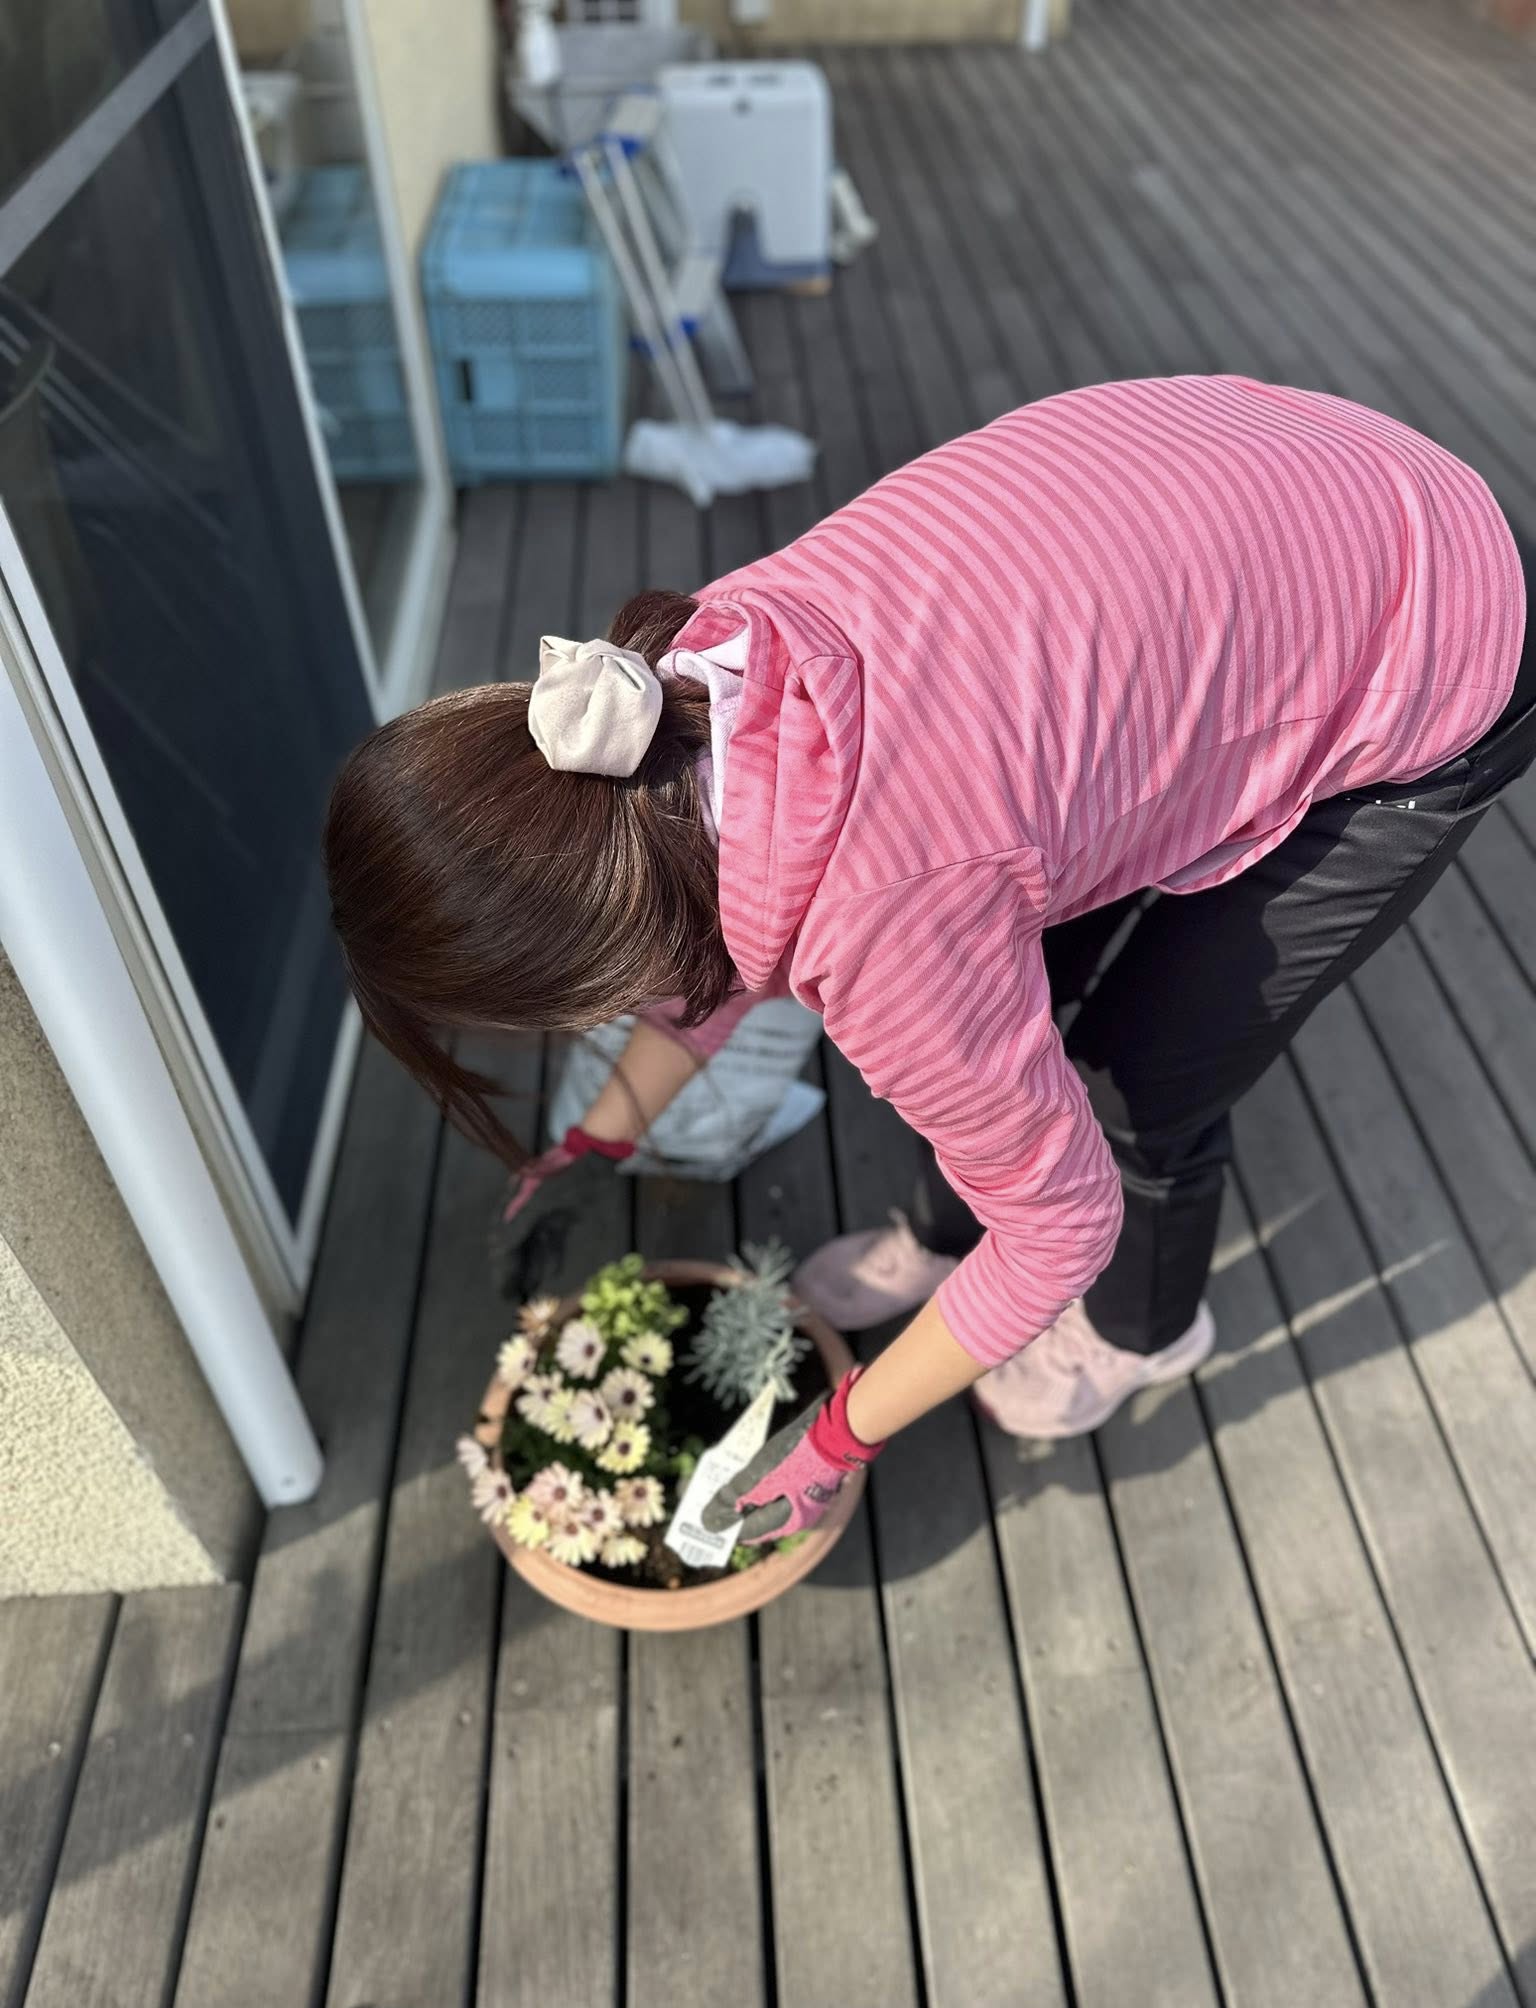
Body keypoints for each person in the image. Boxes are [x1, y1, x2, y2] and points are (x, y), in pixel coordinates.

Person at [324, 375, 1533, 1545]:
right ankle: (951, 1235)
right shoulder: (689, 678)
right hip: (1261, 490)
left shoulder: (884, 923)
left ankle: (1143, 1330)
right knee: (1008, 1017)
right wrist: (595, 1144)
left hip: (1429, 624)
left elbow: (1062, 1221)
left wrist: (834, 1437)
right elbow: (709, 926)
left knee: (1136, 1087)